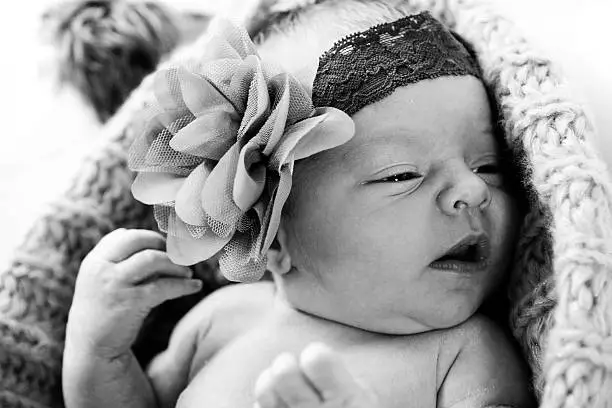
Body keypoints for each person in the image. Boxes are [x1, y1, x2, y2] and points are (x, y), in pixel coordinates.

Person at [62, 1, 535, 407]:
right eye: (401, 175)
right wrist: (98, 353)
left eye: (488, 166)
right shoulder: (222, 322)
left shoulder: (465, 354)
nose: (473, 191)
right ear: (273, 237)